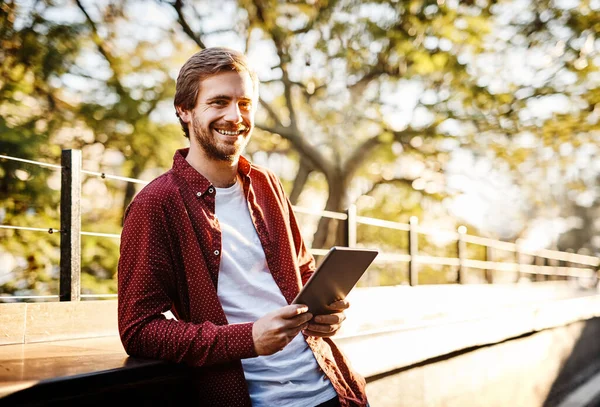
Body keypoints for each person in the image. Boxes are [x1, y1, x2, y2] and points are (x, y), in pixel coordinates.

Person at [117, 46, 368, 407]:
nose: (235, 116)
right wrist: (248, 338)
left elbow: (303, 271)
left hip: (336, 389)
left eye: (245, 103)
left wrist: (328, 311)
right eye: (218, 102)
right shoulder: (156, 204)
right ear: (184, 110)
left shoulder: (268, 184)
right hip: (258, 399)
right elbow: (139, 330)